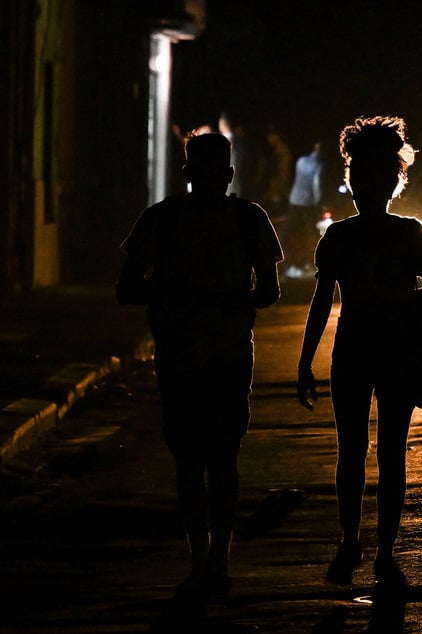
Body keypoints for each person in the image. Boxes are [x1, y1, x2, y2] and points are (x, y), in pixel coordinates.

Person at [116, 132, 283, 599]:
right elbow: (127, 288)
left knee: (211, 459)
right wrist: (199, 297)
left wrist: (208, 299)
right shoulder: (165, 220)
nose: (211, 178)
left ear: (227, 174)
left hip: (219, 356)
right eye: (203, 170)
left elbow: (269, 292)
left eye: (218, 170)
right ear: (189, 174)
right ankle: (206, 560)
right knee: (198, 459)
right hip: (189, 356)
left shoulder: (245, 220)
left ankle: (213, 559)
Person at [295, 115, 422, 586]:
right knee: (390, 452)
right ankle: (382, 549)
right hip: (395, 348)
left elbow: (323, 302)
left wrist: (305, 362)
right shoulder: (410, 231)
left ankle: (352, 542)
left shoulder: (340, 237)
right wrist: (414, 298)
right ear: (395, 182)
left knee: (353, 451)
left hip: (355, 348)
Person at [286, 141, 326, 278]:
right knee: (310, 232)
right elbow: (317, 185)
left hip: (294, 199)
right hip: (308, 203)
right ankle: (309, 261)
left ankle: (289, 260)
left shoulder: (301, 160)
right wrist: (319, 203)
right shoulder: (319, 165)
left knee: (293, 230)